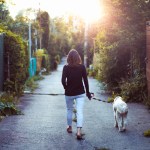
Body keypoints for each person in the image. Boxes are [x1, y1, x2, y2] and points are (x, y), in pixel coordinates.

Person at [61, 49, 92, 140]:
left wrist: (66, 88)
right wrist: (88, 93)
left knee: (69, 110)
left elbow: (63, 81)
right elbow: (85, 81)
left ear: (68, 58)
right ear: (78, 57)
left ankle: (70, 127)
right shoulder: (82, 67)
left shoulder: (66, 67)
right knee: (79, 111)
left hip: (69, 93)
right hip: (80, 93)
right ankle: (78, 131)